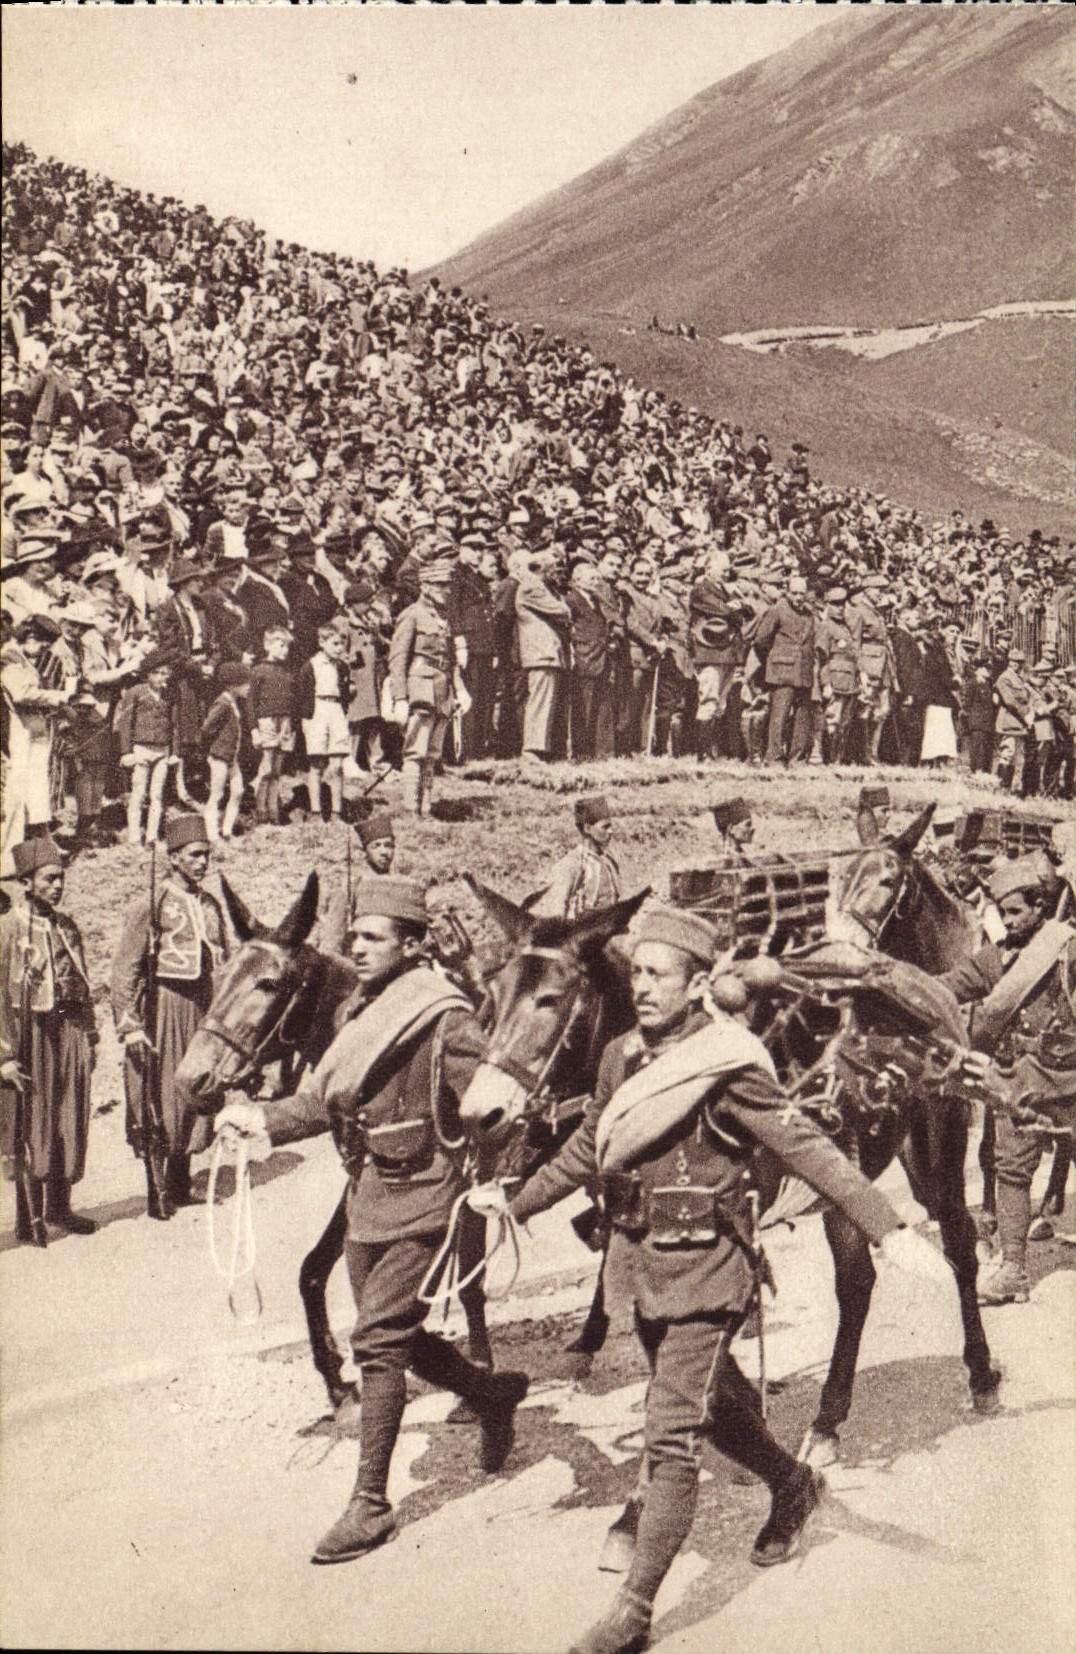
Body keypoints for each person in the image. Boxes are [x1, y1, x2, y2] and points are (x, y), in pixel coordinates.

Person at [471, 906, 947, 1654]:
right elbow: (586, 1148)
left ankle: (633, 1611)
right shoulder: (621, 1056)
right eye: (638, 973)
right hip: (639, 1267)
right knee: (712, 1410)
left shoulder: (729, 1062)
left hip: (706, 1272)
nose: (645, 987)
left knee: (670, 1438)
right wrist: (514, 1203)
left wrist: (888, 1228)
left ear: (699, 984)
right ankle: (793, 1484)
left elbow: (810, 1149)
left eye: (661, 975)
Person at [213, 876, 529, 1565]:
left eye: (372, 937)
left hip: (425, 1194)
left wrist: (488, 1173)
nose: (354, 946)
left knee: (377, 1341)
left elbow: (493, 1104)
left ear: (413, 946)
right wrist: (260, 1117)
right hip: (367, 1195)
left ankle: (370, 1504)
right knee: (401, 1337)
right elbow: (324, 1101)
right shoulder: (359, 1007)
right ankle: (491, 1393)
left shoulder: (445, 1014)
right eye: (353, 935)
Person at [941, 854, 1075, 1305]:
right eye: (1003, 913)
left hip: (1071, 1079)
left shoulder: (1066, 949)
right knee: (1011, 1166)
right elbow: (947, 986)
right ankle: (1015, 1268)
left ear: (1040, 907)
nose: (1009, 922)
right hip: (1020, 1084)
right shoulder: (996, 960)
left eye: (1016, 912)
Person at [110, 811, 228, 1215]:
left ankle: (182, 1179)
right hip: (165, 1006)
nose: (202, 863)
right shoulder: (151, 902)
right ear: (174, 857)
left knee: (198, 1088)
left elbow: (223, 959)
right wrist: (128, 1023)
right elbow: (125, 967)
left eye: (206, 855)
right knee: (161, 1095)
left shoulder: (211, 903)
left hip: (202, 1005)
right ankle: (157, 1186)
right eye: (194, 855)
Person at [0, 835, 97, 1244]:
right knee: (33, 1122)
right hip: (30, 1034)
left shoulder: (66, 927)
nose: (58, 887)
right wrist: (4, 1054)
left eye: (61, 879)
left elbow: (83, 981)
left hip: (69, 1028)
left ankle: (60, 1207)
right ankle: (29, 1216)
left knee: (68, 1118)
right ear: (27, 881)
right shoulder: (7, 929)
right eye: (49, 879)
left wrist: (90, 1034)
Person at [387, 556, 459, 816]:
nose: (446, 591)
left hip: (441, 688)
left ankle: (426, 808)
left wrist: (458, 690)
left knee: (432, 753)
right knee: (416, 750)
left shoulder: (442, 617)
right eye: (440, 586)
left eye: (447, 586)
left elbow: (449, 659)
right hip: (420, 687)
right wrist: (399, 697)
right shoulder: (412, 615)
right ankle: (410, 807)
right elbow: (397, 659)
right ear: (426, 587)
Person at [115, 653, 175, 847]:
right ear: (148, 674)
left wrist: (174, 752)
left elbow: (175, 725)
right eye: (156, 673)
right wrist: (126, 751)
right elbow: (125, 723)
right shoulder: (136, 692)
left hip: (162, 750)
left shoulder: (170, 695)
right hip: (141, 749)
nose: (160, 677)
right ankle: (134, 837)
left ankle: (152, 837)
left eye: (164, 674)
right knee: (138, 793)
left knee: (157, 794)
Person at [296, 620, 351, 822]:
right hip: (317, 711)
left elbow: (344, 693)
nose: (339, 648)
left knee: (337, 763)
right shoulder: (311, 666)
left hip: (335, 710)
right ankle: (316, 811)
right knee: (317, 763)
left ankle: (337, 811)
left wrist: (342, 711)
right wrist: (307, 719)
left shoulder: (343, 667)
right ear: (322, 642)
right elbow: (303, 695)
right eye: (335, 644)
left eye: (342, 644)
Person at [534, 794, 621, 919]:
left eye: (611, 826)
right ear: (587, 828)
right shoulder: (572, 864)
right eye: (605, 827)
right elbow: (554, 913)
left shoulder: (609, 861)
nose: (611, 831)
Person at [248, 626, 296, 826]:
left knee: (277, 769)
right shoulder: (258, 671)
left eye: (287, 646)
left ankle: (273, 810)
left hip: (284, 721)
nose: (285, 650)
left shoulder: (287, 672)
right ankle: (260, 809)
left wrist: (290, 726)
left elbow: (292, 701)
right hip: (266, 721)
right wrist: (254, 729)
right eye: (280, 645)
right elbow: (250, 702)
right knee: (266, 766)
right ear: (268, 645)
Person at [200, 661, 250, 842]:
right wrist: (216, 747)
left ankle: (227, 831)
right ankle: (212, 835)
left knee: (238, 791)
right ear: (232, 685)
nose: (248, 687)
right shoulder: (222, 703)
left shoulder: (233, 702)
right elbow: (206, 728)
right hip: (220, 756)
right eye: (245, 683)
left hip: (231, 757)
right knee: (217, 794)